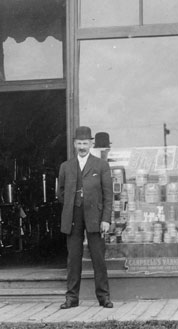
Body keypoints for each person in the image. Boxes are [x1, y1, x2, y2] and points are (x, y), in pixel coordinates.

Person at [58, 126, 114, 309]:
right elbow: (61, 193)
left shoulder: (101, 165)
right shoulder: (65, 167)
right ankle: (72, 299)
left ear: (91, 144)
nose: (82, 146)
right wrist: (71, 205)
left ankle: (104, 297)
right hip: (73, 216)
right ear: (74, 144)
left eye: (85, 143)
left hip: (95, 217)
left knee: (98, 258)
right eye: (79, 143)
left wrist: (105, 219)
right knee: (73, 259)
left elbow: (108, 195)